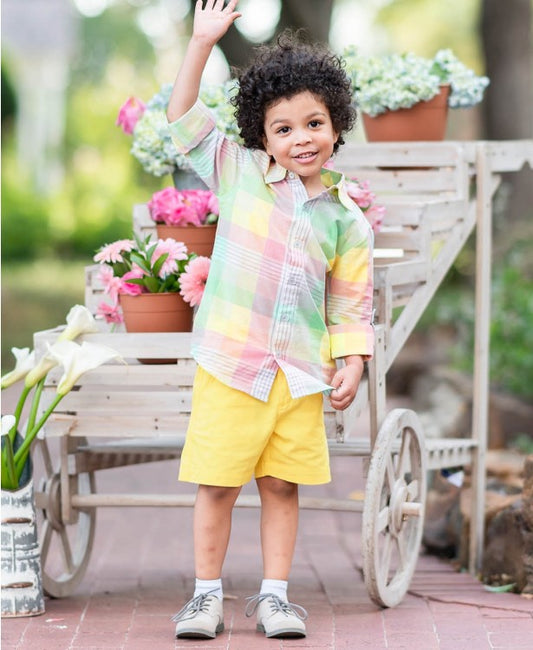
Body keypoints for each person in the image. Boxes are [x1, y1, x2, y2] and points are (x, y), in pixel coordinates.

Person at [167, 0, 374, 640]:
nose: (300, 138)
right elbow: (181, 117)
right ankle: (205, 597)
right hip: (233, 364)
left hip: (300, 375)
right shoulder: (239, 175)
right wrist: (203, 42)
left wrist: (354, 359)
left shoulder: (347, 220)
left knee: (283, 486)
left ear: (336, 123)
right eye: (282, 129)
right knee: (218, 485)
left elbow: (348, 302)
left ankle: (275, 597)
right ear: (262, 136)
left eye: (313, 122)